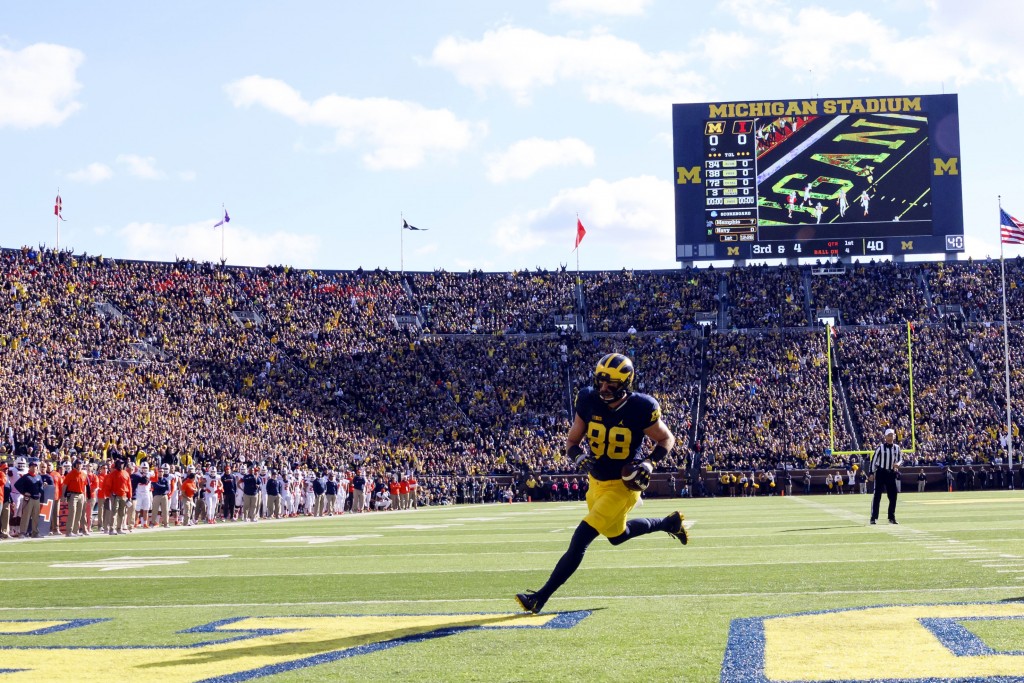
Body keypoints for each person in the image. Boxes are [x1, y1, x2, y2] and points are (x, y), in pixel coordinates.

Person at [515, 353, 687, 615]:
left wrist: (649, 463)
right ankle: (668, 523)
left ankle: (540, 597)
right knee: (617, 537)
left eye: (611, 385)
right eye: (600, 383)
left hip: (622, 486)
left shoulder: (642, 407)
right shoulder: (587, 399)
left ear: (626, 384)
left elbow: (667, 440)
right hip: (595, 483)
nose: (603, 389)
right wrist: (579, 457)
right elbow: (572, 441)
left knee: (581, 538)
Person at [869, 428, 902, 525]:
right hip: (881, 472)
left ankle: (891, 517)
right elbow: (874, 461)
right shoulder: (880, 448)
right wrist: (871, 473)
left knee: (893, 496)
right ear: (885, 437)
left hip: (891, 473)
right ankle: (873, 517)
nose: (891, 437)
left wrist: (898, 464)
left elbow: (900, 459)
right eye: (889, 435)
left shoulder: (897, 447)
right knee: (877, 495)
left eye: (892, 435)